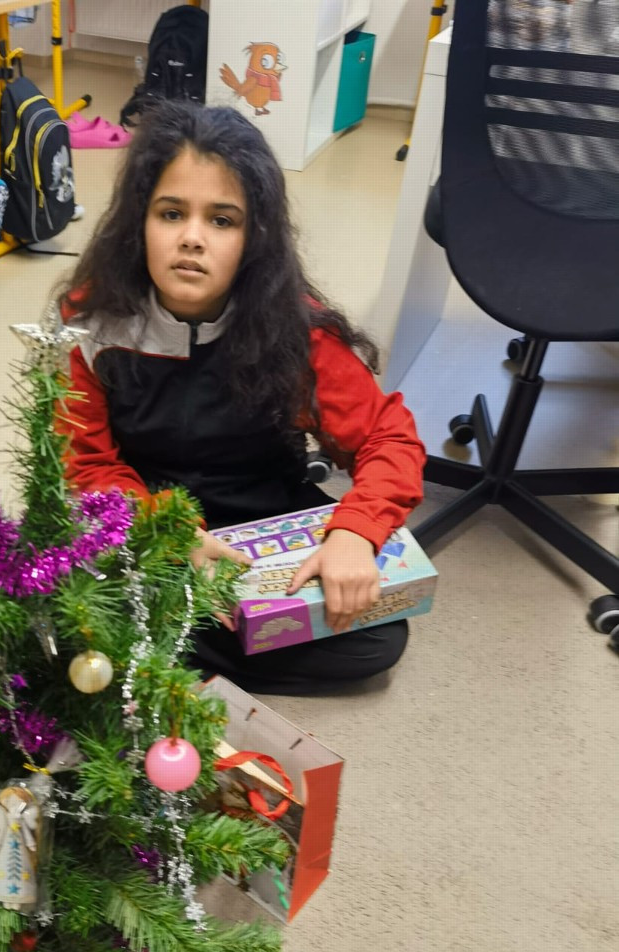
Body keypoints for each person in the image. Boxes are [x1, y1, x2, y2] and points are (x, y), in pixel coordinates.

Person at [54, 101, 426, 696]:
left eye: (222, 220)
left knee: (376, 639)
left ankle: (159, 653)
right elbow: (88, 465)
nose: (192, 238)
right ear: (138, 222)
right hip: (147, 518)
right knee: (63, 593)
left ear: (254, 238)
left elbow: (388, 437)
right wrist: (165, 532)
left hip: (262, 512)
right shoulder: (92, 324)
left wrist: (355, 534)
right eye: (171, 213)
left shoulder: (297, 333)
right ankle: (177, 644)